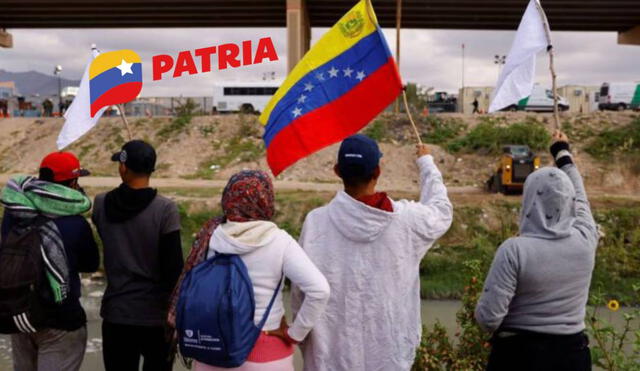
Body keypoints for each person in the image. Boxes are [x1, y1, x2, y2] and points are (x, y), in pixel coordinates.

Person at [291, 134, 453, 371]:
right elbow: (441, 210)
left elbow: (300, 293)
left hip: (329, 358)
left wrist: (304, 338)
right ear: (378, 171)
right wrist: (426, 163)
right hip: (390, 358)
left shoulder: (316, 222)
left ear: (337, 171)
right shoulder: (407, 220)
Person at [167, 170, 330, 371]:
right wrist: (295, 333)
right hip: (266, 353)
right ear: (266, 199)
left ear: (228, 198)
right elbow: (319, 290)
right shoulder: (280, 241)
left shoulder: (210, 236)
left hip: (212, 348)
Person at [475, 130, 598, 371]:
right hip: (573, 357)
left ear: (529, 198)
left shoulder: (514, 250)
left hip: (519, 357)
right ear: (569, 201)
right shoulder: (586, 237)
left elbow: (488, 319)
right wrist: (562, 152)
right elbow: (581, 197)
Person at [1, 152, 99, 371]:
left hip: (20, 314)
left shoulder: (14, 211)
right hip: (61, 321)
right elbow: (90, 264)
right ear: (73, 183)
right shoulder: (75, 222)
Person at [92, 140, 184, 371]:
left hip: (117, 314)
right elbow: (174, 269)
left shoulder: (102, 203)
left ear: (123, 167)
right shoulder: (165, 209)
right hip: (156, 317)